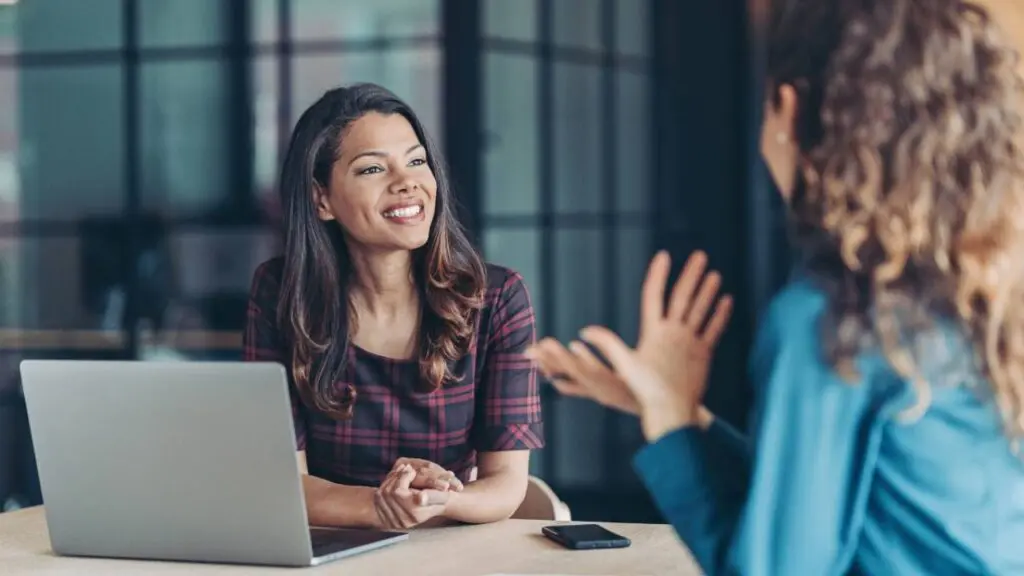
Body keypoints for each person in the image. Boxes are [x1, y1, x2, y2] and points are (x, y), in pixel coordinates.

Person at [529, 0, 1024, 573]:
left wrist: (672, 422)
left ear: (787, 109)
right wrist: (680, 415)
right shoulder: (978, 291)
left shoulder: (835, 316)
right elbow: (820, 506)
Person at [244, 83, 543, 531]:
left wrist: (434, 499)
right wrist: (381, 506)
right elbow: (283, 481)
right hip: (328, 549)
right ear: (321, 198)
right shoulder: (280, 293)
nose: (408, 183)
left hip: (449, 549)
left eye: (417, 161)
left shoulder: (496, 297)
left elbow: (506, 483)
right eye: (372, 170)